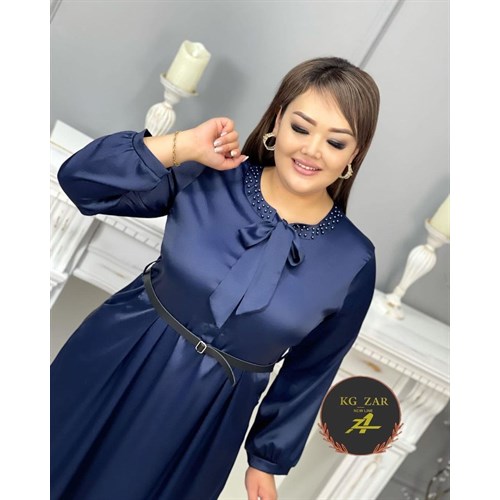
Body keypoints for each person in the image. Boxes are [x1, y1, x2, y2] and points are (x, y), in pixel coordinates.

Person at [51, 56, 380, 500]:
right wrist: (183, 144)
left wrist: (266, 461)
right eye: (301, 128)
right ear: (277, 121)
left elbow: (313, 369)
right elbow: (82, 183)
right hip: (113, 362)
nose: (312, 150)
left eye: (335, 141)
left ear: (354, 154)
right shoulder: (211, 173)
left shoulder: (353, 260)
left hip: (206, 421)